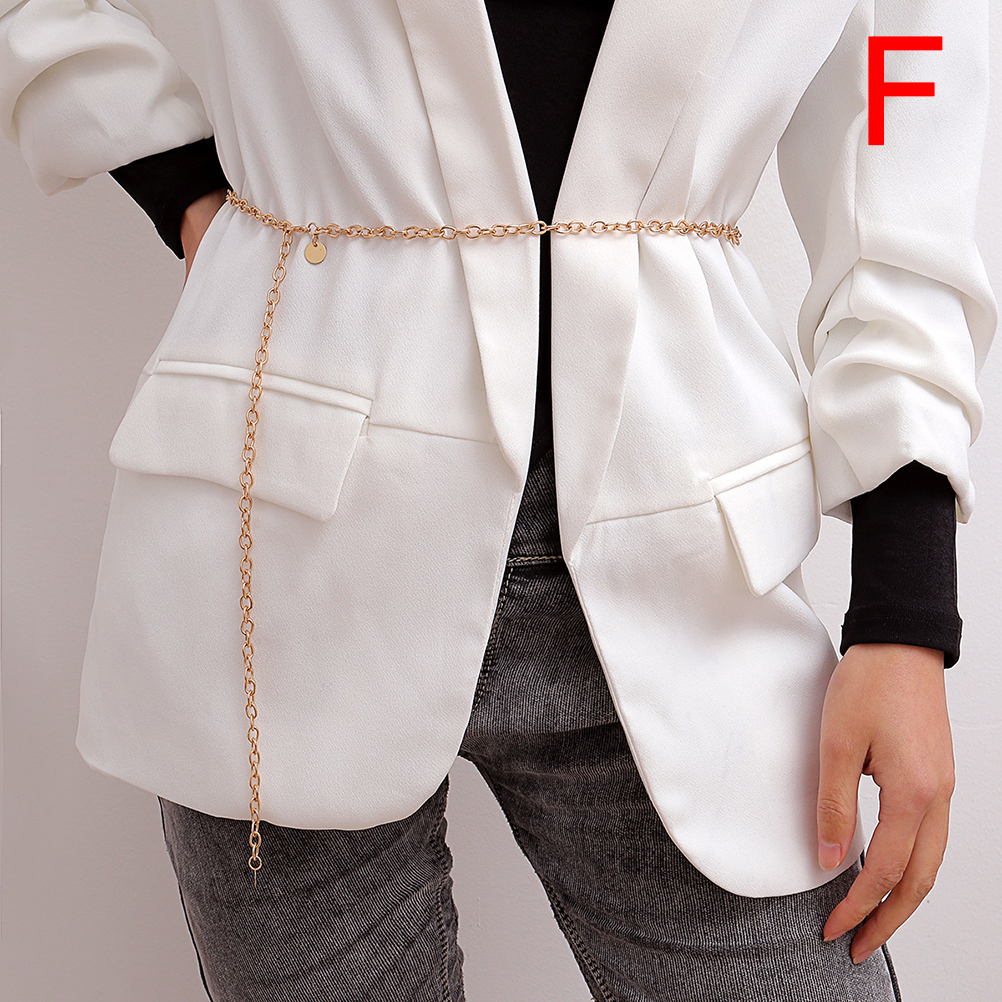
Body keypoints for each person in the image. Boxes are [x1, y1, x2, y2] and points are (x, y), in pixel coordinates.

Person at [0, 1, 995, 999]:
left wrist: (905, 614)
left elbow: (902, 166)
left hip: (691, 561)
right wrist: (174, 178)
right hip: (285, 548)